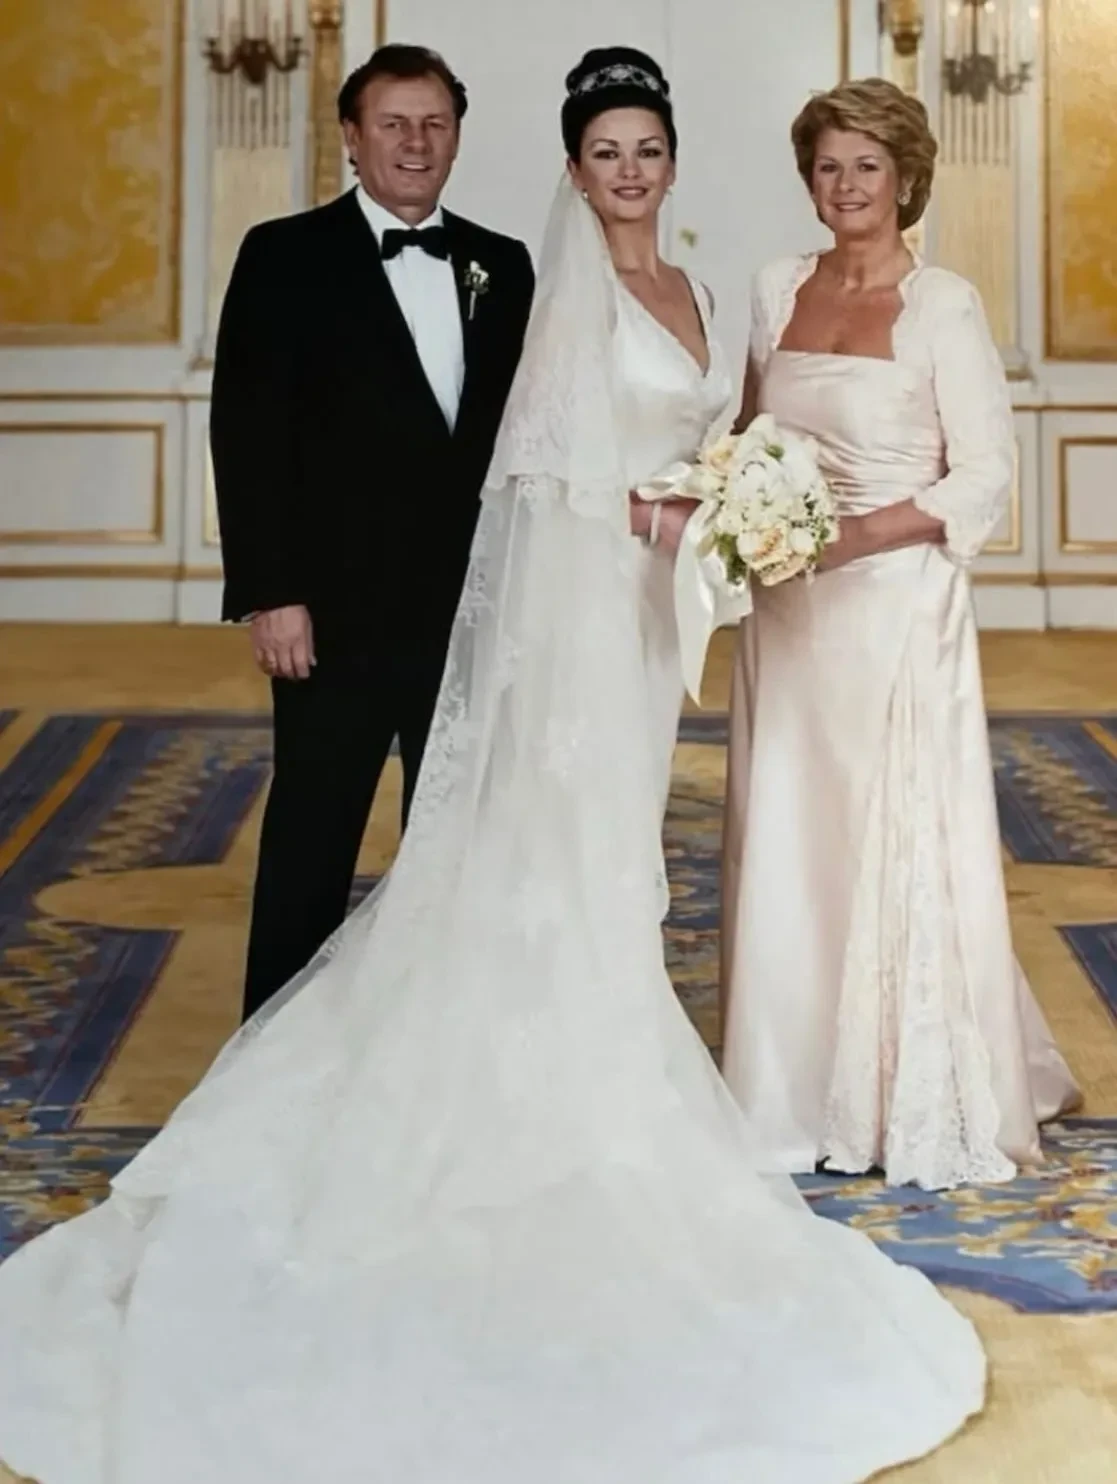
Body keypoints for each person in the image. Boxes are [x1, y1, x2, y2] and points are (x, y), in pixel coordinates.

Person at [0, 51, 986, 1484]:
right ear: (573, 167)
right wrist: (646, 529)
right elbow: (530, 472)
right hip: (575, 618)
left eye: (649, 148)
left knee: (619, 855)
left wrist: (723, 515)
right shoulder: (547, 287)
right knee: (527, 848)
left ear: (671, 160)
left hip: (651, 623)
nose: (630, 171)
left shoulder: (697, 292)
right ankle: (485, 1092)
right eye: (606, 151)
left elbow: (714, 445)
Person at [720, 78, 1080, 1191]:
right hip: (788, 611)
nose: (845, 186)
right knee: (789, 832)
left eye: (866, 166)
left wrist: (851, 536)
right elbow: (743, 434)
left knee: (892, 837)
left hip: (892, 609)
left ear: (905, 178)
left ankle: (896, 1084)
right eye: (827, 166)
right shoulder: (775, 288)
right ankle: (785, 1083)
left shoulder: (943, 306)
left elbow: (982, 476)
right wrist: (744, 517)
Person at [210, 44, 535, 1022]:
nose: (415, 142)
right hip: (330, 613)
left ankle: (440, 1044)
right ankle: (271, 1054)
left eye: (435, 124)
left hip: (468, 610)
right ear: (351, 138)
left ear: (458, 137)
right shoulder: (282, 254)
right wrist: (272, 592)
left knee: (455, 844)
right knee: (311, 844)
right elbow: (247, 432)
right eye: (393, 124)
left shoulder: (502, 264)